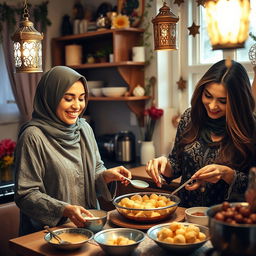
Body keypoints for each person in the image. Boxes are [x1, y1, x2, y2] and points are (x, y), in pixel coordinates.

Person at [14, 66, 132, 235]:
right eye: (68, 99)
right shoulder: (33, 136)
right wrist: (63, 209)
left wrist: (106, 176)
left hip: (87, 228)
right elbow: (26, 195)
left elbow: (95, 170)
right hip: (49, 234)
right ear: (51, 98)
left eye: (81, 98)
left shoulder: (84, 128)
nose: (77, 106)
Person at [146, 59, 256, 208]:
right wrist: (164, 164)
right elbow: (176, 164)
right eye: (208, 96)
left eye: (222, 101)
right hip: (186, 217)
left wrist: (228, 174)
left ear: (238, 101)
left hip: (229, 220)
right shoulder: (190, 118)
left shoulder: (251, 128)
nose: (212, 106)